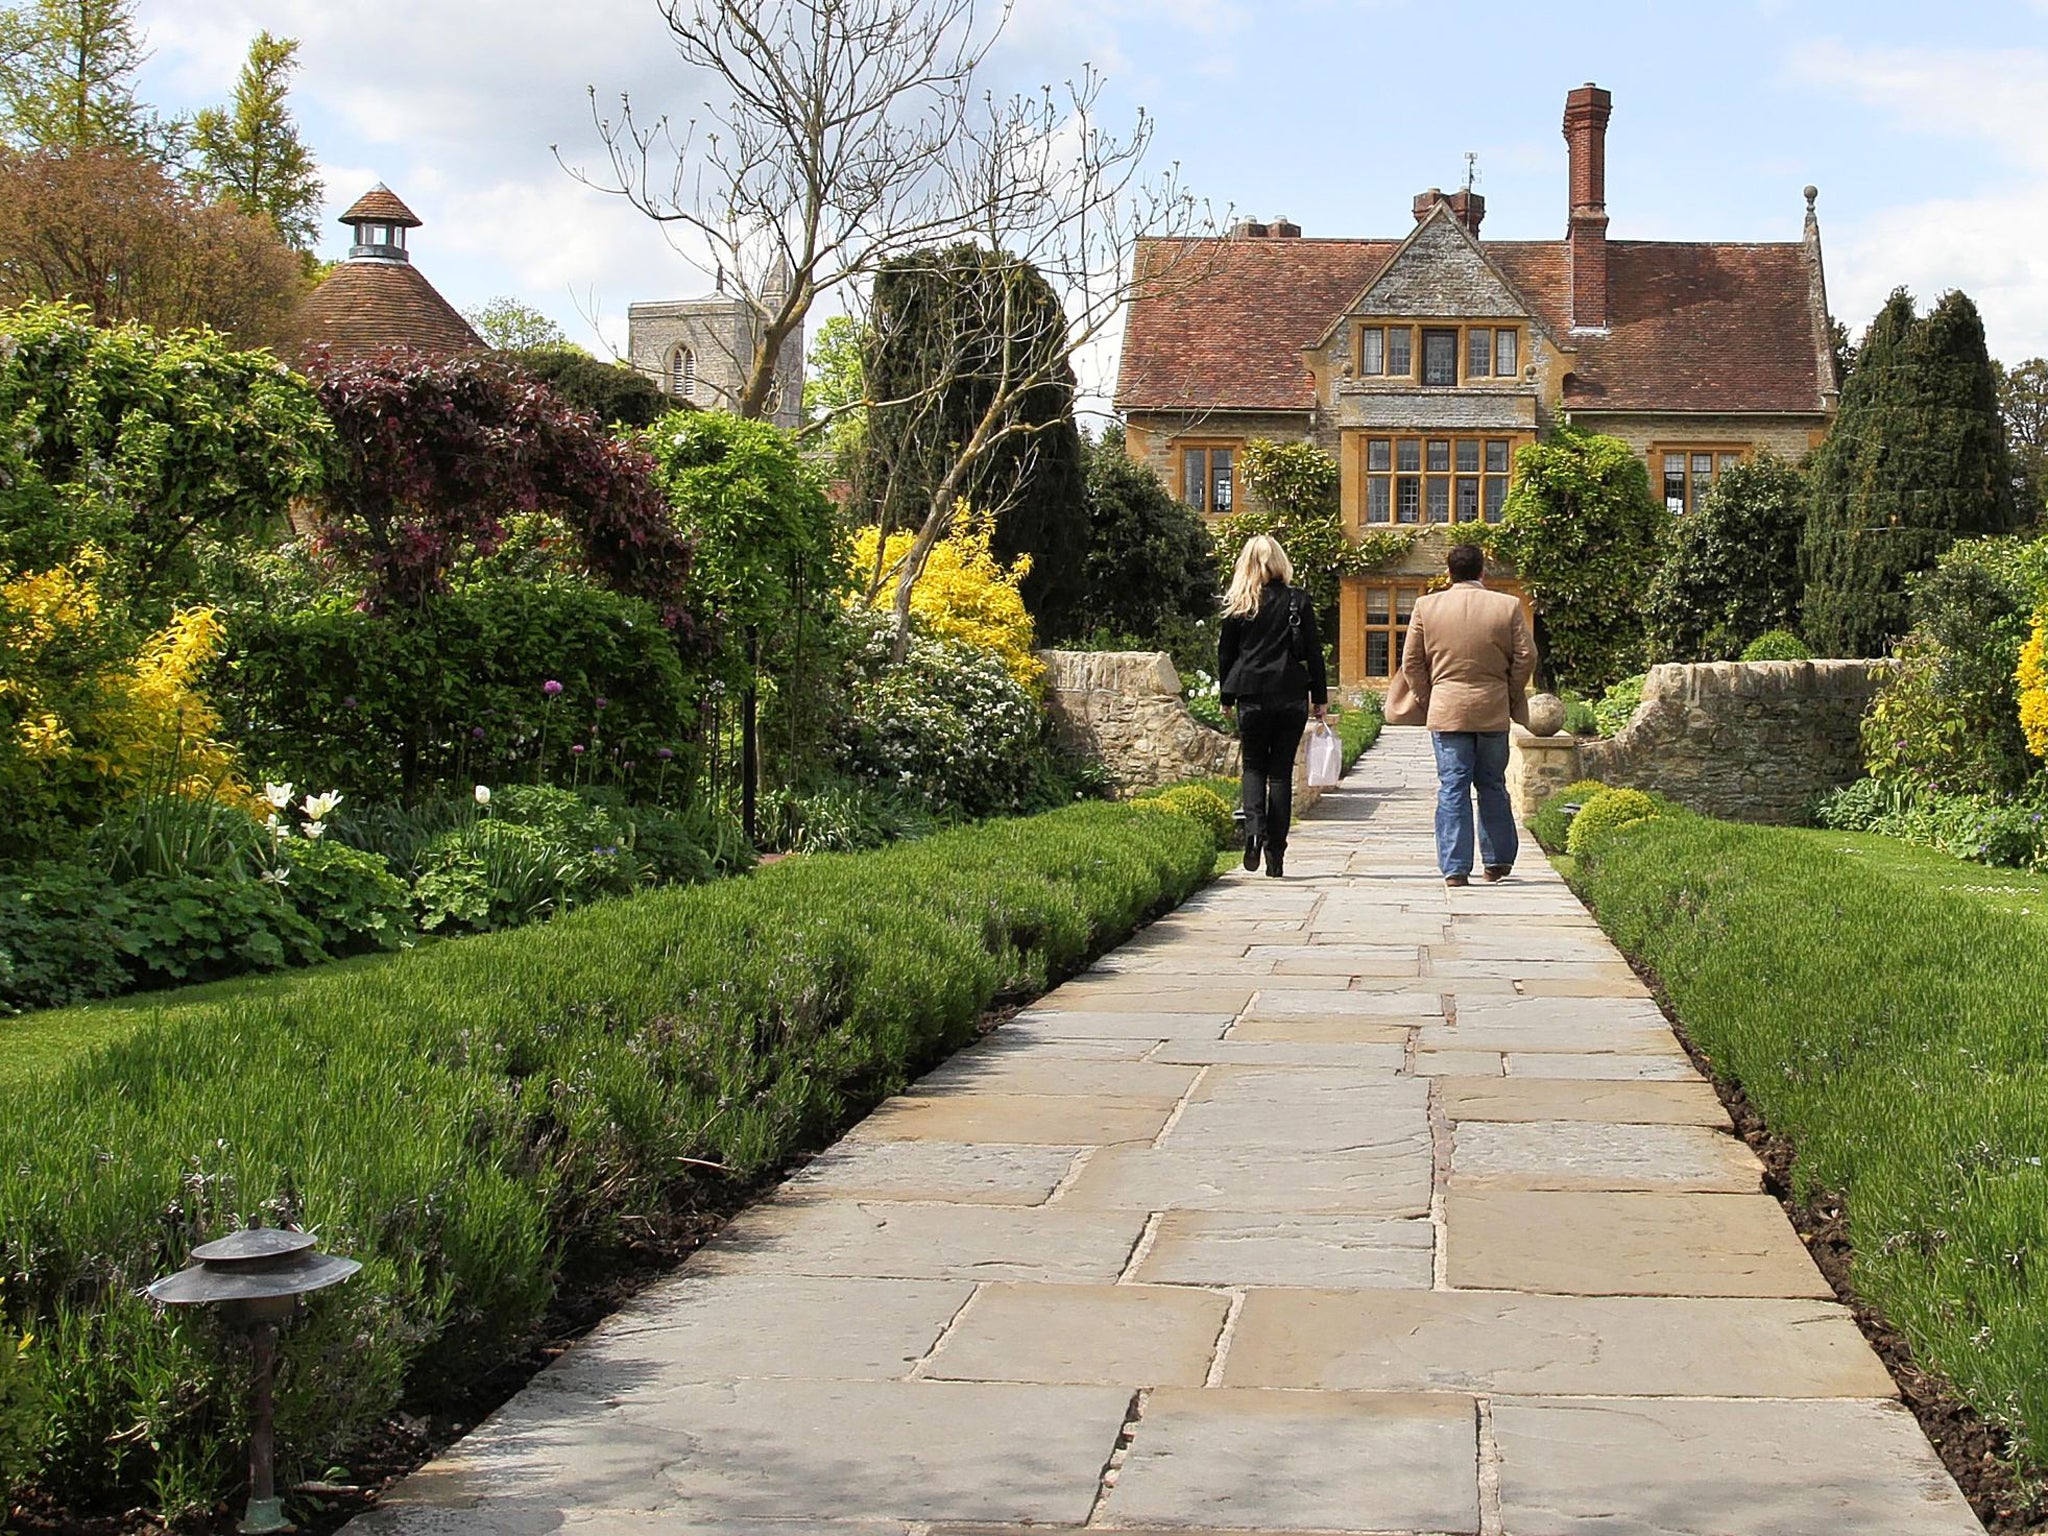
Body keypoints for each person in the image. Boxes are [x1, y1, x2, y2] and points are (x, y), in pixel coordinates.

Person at [1398, 543, 1535, 887]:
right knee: (1491, 783)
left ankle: (1456, 869)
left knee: (1453, 786)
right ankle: (1497, 862)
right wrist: (1511, 692)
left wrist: (1429, 697)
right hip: (1492, 707)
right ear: (1482, 572)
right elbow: (1526, 656)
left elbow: (1411, 663)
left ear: (1449, 573)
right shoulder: (1507, 606)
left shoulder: (1426, 606)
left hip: (1447, 708)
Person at [1218, 534, 1327, 878]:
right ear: (1279, 562)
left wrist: (1226, 696)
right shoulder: (1297, 600)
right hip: (1291, 692)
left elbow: (1226, 654)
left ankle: (1253, 832)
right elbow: (1313, 652)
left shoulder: (1239, 603)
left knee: (1253, 767)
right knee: (1280, 773)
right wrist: (1320, 698)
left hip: (1251, 693)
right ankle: (1275, 855)